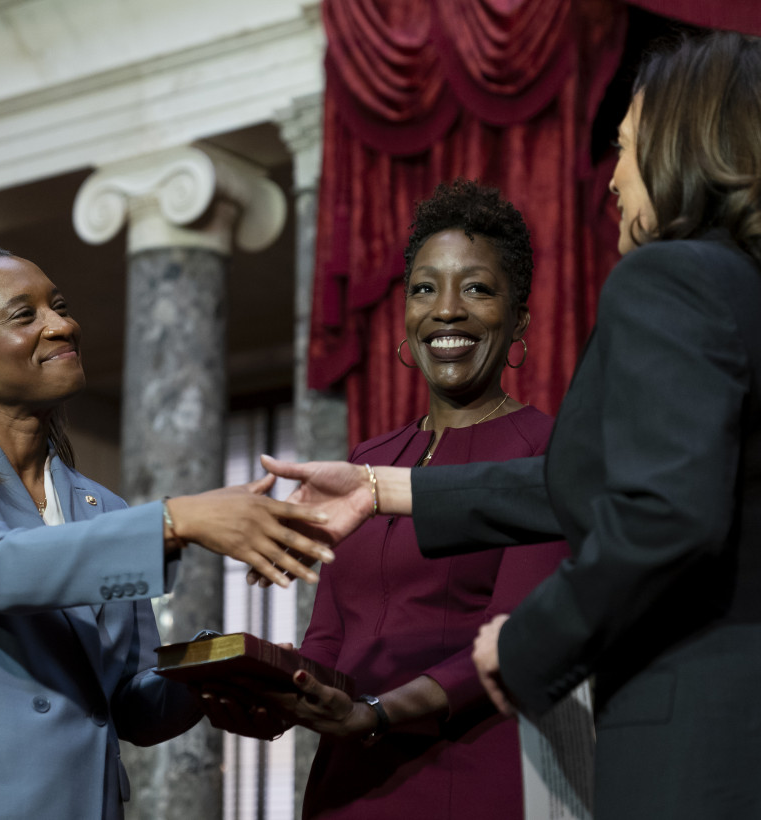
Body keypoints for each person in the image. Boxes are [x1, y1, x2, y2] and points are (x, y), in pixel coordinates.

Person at [263, 32, 761, 820]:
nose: (613, 180)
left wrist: (522, 648)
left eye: (625, 149)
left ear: (685, 150)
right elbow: (612, 482)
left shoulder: (670, 278)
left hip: (736, 750)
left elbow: (663, 514)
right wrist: (383, 489)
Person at [0, 247, 333, 819]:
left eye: (60, 307)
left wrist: (210, 673)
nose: (62, 324)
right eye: (24, 315)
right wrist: (178, 520)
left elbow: (133, 707)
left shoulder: (105, 508)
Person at [202, 180, 590, 819]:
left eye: (477, 289)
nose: (446, 311)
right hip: (347, 780)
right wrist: (279, 692)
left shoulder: (546, 451)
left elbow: (519, 636)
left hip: (467, 772)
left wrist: (376, 715)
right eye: (424, 288)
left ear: (518, 319)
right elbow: (329, 639)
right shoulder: (363, 463)